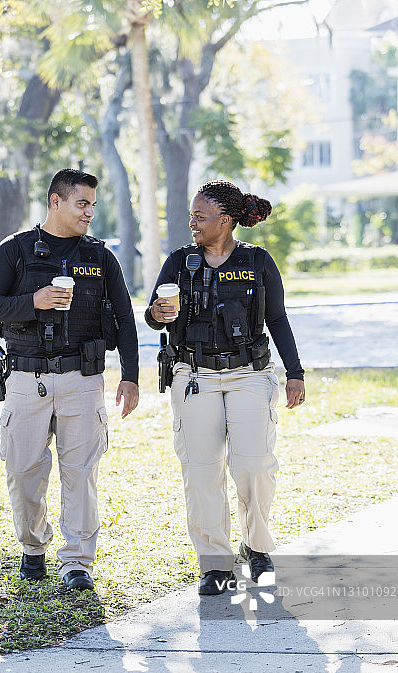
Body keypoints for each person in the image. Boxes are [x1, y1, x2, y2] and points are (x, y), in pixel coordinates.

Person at [0, 168, 139, 591]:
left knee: (80, 471)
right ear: (56, 201)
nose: (89, 212)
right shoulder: (15, 250)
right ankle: (33, 548)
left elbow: (123, 316)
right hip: (26, 379)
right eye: (81, 203)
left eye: (92, 205)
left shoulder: (101, 256)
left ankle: (78, 563)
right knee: (24, 470)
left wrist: (131, 376)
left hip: (83, 379)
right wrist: (35, 301)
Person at [145, 179, 304, 595]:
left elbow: (278, 318)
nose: (192, 222)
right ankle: (214, 564)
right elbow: (152, 315)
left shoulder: (257, 261)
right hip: (194, 377)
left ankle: (257, 548)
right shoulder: (180, 262)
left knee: (254, 465)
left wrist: (295, 372)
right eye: (191, 215)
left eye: (201, 216)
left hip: (249, 376)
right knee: (201, 473)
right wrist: (159, 313)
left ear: (226, 219)